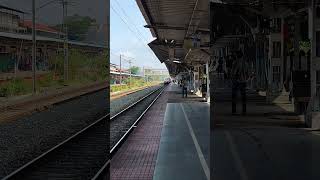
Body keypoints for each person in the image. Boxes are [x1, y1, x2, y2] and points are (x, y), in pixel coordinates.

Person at [231, 51, 250, 115]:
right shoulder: (246, 63)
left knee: (234, 96)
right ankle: (244, 111)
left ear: (237, 56)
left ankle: (234, 111)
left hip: (236, 81)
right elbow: (248, 73)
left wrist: (233, 78)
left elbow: (233, 73)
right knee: (243, 96)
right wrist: (246, 79)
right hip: (243, 81)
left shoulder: (235, 62)